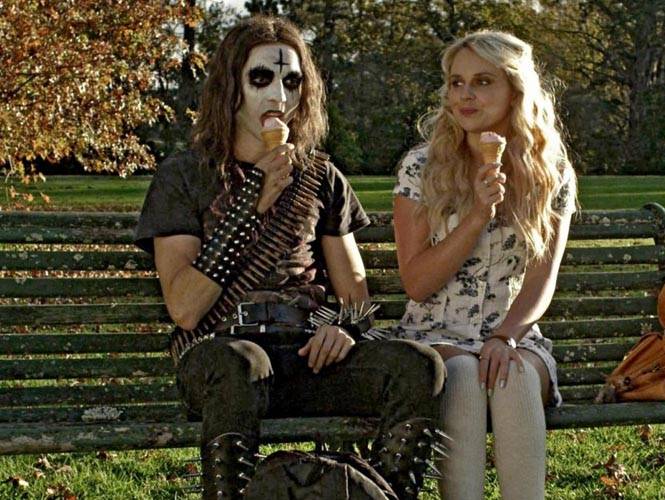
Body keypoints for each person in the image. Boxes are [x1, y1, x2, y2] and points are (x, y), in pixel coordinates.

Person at [134, 16, 444, 500]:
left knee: (416, 365)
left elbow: (356, 295)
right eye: (261, 78)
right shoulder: (185, 175)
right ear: (230, 86)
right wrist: (250, 205)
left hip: (305, 356)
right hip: (222, 357)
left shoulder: (319, 177)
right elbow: (186, 307)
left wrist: (345, 328)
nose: (279, 95)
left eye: (292, 81)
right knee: (239, 363)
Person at [389, 31, 577, 500]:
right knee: (461, 379)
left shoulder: (550, 170)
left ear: (515, 90)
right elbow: (417, 283)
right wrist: (477, 215)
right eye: (456, 83)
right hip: (434, 334)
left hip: (513, 332)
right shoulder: (422, 167)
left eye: (483, 81)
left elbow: (542, 279)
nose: (465, 95)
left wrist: (505, 336)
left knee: (514, 377)